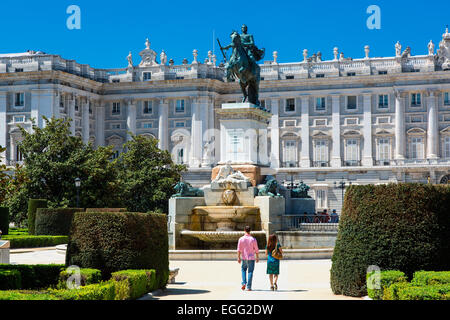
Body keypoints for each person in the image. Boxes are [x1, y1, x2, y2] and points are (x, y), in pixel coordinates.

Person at [237, 225, 259, 291]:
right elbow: (256, 249)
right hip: (251, 258)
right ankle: (249, 287)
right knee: (250, 271)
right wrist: (257, 257)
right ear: (250, 231)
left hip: (244, 257)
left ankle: (244, 283)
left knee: (243, 270)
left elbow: (239, 249)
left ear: (244, 230)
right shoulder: (253, 239)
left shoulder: (241, 239)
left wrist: (238, 257)